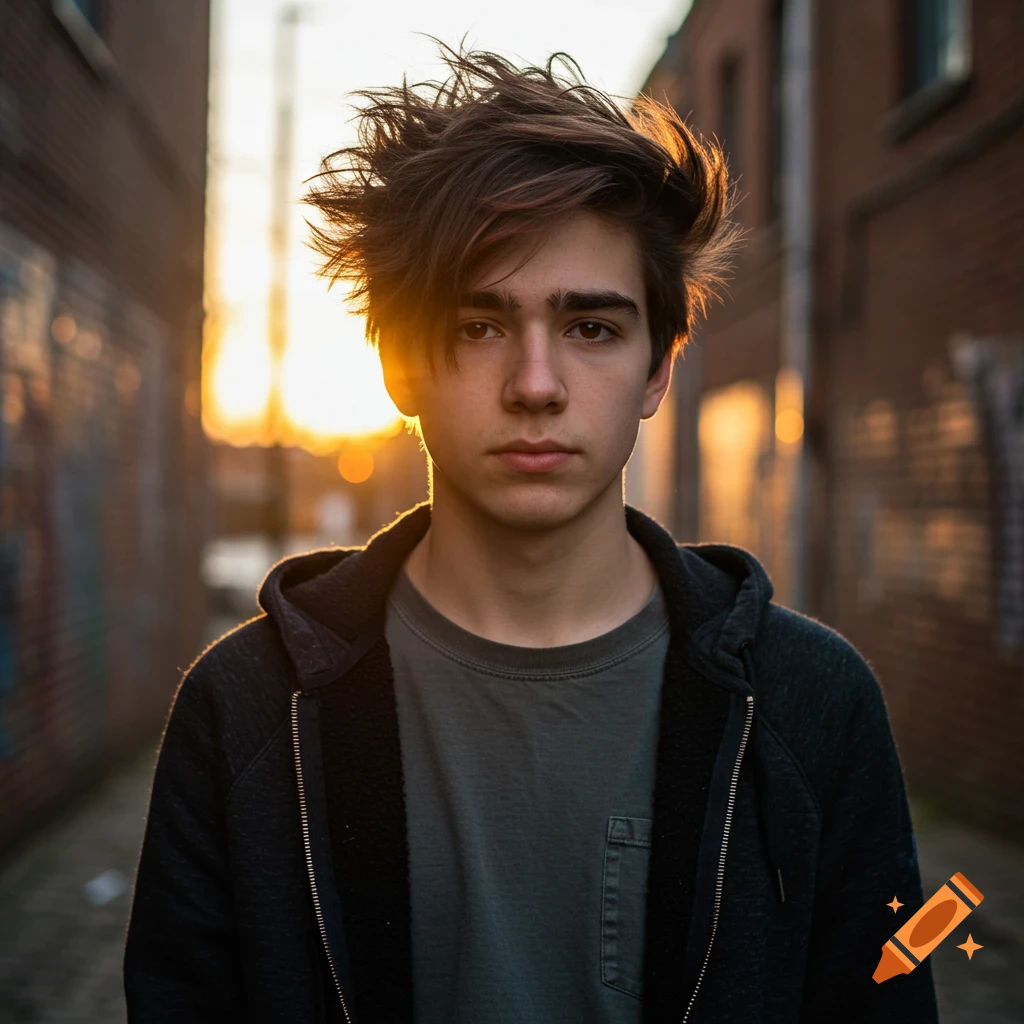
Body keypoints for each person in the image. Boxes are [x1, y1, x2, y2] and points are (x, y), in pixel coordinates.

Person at [123, 40, 939, 1024]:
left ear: (656, 369)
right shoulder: (246, 709)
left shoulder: (812, 704)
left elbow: (891, 992)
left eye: (591, 327)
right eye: (479, 326)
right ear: (398, 362)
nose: (536, 384)